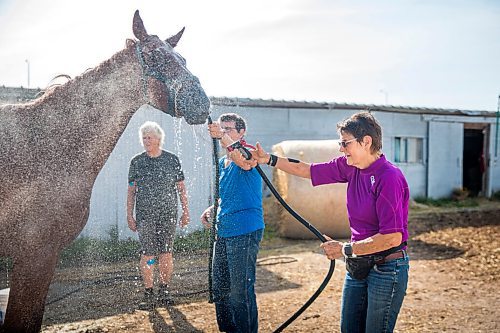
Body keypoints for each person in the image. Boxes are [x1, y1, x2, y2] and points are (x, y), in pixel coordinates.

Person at [252, 111, 410, 333]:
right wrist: (268, 159)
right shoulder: (350, 167)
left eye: (345, 143)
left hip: (387, 268)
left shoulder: (388, 177)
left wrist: (345, 249)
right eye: (340, 143)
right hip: (359, 263)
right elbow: (306, 169)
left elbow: (392, 237)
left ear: (366, 142)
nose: (341, 148)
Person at [201, 113, 265, 333]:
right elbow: (226, 195)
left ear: (241, 132)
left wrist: (223, 139)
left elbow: (245, 163)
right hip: (224, 230)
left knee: (240, 291)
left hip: (245, 230)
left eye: (229, 129)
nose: (224, 132)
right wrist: (213, 209)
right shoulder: (223, 162)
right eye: (222, 128)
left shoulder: (249, 153)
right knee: (221, 289)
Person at [127, 121, 190, 310]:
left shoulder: (172, 160)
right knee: (148, 253)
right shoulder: (137, 162)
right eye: (144, 137)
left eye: (150, 137)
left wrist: (186, 211)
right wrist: (129, 215)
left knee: (165, 253)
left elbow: (181, 188)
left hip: (168, 213)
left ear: (159, 139)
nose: (146, 141)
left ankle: (164, 290)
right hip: (145, 215)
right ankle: (148, 293)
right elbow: (131, 191)